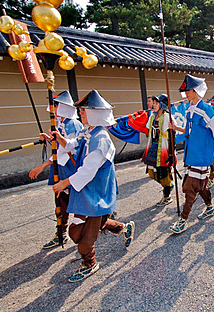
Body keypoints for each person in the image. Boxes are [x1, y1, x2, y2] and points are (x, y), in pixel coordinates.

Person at [50, 90, 135, 282]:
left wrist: (63, 183)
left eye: (84, 110)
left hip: (96, 192)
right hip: (85, 191)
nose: (80, 113)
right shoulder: (87, 131)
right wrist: (58, 137)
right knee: (80, 230)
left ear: (95, 113)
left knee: (84, 242)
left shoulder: (102, 140)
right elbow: (72, 145)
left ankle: (89, 263)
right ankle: (123, 228)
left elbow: (88, 171)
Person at [169, 75, 214, 234]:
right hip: (190, 154)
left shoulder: (207, 109)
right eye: (185, 90)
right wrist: (176, 128)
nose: (186, 93)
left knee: (190, 187)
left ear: (196, 91)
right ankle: (209, 207)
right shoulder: (189, 108)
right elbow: (189, 131)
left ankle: (183, 219)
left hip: (202, 154)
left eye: (188, 90)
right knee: (201, 185)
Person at [29, 91, 83, 249]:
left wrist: (42, 166)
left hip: (70, 168)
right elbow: (58, 145)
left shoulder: (73, 124)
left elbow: (64, 148)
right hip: (61, 167)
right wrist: (49, 138)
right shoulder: (62, 122)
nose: (53, 107)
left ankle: (108, 226)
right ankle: (61, 232)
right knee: (61, 201)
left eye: (57, 105)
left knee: (79, 203)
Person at [141, 93, 175, 207]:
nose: (154, 105)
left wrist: (170, 153)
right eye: (153, 103)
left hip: (164, 149)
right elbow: (147, 130)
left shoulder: (167, 117)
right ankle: (168, 186)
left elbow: (171, 136)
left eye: (156, 103)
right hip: (153, 147)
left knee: (163, 172)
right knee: (151, 172)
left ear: (163, 104)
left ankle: (167, 195)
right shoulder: (152, 117)